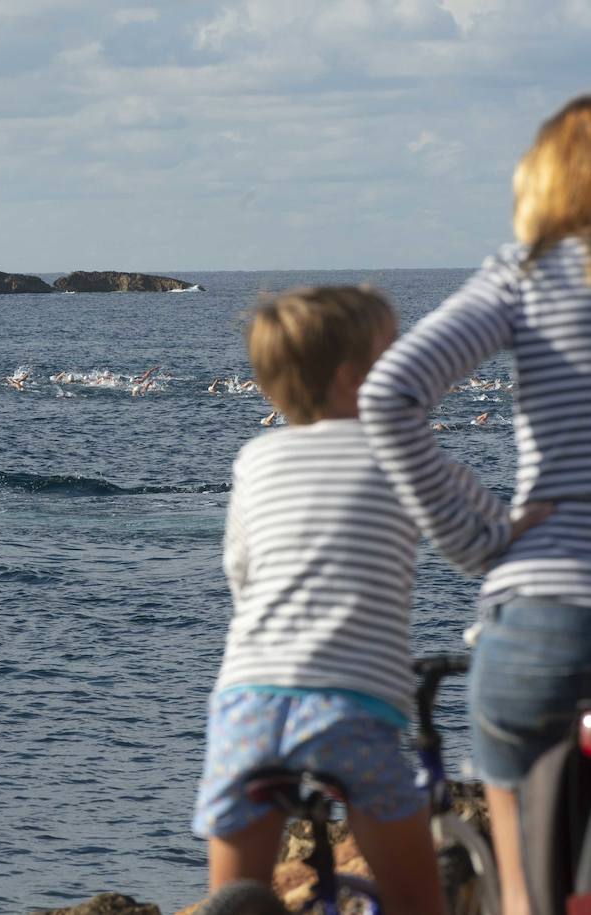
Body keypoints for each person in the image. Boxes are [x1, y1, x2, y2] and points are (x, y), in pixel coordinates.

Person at [359, 98, 590, 915]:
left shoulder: (528, 274)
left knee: (523, 888)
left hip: (544, 607)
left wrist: (479, 537)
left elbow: (389, 392)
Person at [194, 287, 444, 914]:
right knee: (418, 901)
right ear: (353, 377)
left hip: (247, 701)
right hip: (350, 705)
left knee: (234, 900)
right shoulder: (401, 448)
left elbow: (240, 571)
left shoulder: (255, 458)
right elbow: (474, 538)